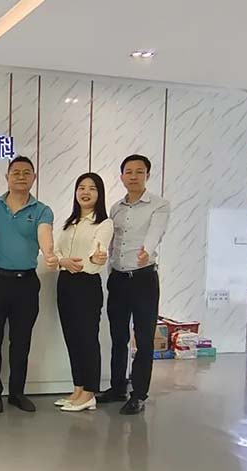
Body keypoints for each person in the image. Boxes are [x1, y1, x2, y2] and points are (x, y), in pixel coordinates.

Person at [0, 156, 58, 413]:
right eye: (16, 172)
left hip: (26, 284)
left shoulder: (42, 210)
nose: (21, 176)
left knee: (21, 342)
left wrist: (50, 253)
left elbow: (45, 235)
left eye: (26, 172)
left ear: (34, 178)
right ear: (7, 177)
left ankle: (17, 393)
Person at [97, 155, 170, 415]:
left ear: (147, 175)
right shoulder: (115, 208)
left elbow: (156, 232)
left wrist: (146, 250)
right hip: (118, 279)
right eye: (128, 172)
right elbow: (110, 242)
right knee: (118, 337)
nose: (134, 176)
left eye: (139, 171)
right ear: (121, 177)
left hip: (143, 279)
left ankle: (138, 394)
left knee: (144, 338)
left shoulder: (159, 205)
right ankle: (118, 387)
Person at [54, 172, 114, 413]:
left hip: (87, 284)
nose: (85, 192)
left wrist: (95, 258)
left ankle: (89, 392)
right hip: (65, 282)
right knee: (72, 338)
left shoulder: (104, 223)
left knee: (87, 339)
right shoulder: (70, 223)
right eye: (81, 187)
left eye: (92, 188)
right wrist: (62, 261)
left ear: (100, 194)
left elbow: (98, 250)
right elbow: (57, 250)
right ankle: (78, 389)